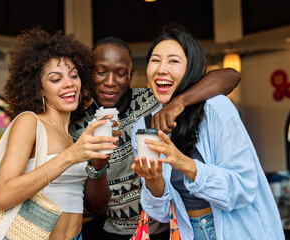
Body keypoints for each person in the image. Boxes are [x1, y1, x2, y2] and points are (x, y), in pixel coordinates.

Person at [70, 36, 241, 239]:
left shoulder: (153, 102)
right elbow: (96, 209)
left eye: (121, 74)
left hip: (168, 229)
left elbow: (231, 76)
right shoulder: (79, 128)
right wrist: (98, 165)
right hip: (116, 233)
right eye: (100, 72)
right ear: (89, 74)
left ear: (131, 76)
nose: (110, 82)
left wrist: (179, 101)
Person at [131, 23, 285, 240]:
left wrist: (183, 163)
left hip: (240, 232)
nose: (161, 69)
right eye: (155, 60)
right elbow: (161, 214)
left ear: (191, 68)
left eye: (173, 61)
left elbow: (243, 189)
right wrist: (153, 181)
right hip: (189, 234)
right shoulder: (144, 128)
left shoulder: (216, 108)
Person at [0, 28, 118, 240]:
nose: (69, 83)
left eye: (74, 75)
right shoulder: (30, 122)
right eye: (55, 79)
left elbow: (92, 203)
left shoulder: (72, 134)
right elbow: (4, 196)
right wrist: (72, 155)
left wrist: (99, 163)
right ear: (39, 88)